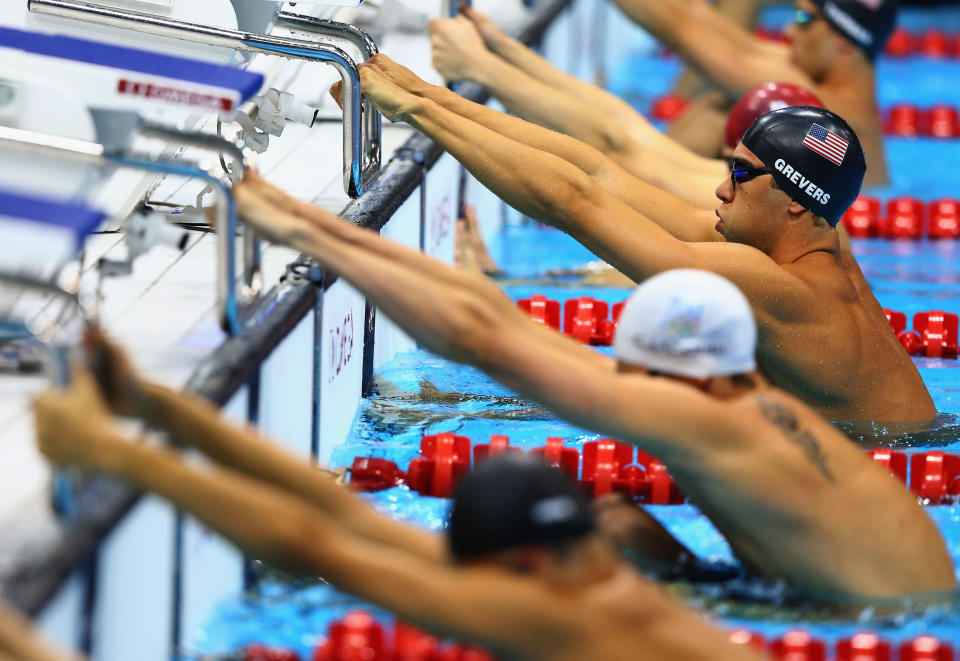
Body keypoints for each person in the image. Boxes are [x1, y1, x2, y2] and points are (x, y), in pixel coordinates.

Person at [123, 168, 951, 602]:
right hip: (868, 604)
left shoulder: (718, 427)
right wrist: (315, 224)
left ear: (667, 375)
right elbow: (508, 334)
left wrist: (308, 229)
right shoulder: (744, 406)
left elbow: (491, 341)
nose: (621, 386)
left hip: (859, 629)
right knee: (618, 524)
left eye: (630, 374)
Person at [32, 359, 767, 661]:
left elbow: (315, 544)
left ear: (521, 563)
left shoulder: (562, 617)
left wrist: (123, 455)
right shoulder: (596, 576)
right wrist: (159, 405)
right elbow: (345, 520)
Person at [348, 55, 934, 423]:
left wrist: (419, 113)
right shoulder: (807, 245)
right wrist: (433, 98)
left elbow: (574, 204)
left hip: (894, 471)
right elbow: (600, 174)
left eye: (741, 173)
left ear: (796, 202)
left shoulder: (782, 287)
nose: (721, 189)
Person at [429, 9, 825, 209]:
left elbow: (617, 145)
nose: (726, 186)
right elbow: (625, 126)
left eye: (736, 168)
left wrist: (478, 69)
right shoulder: (784, 192)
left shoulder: (731, 197)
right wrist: (504, 50)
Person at [600, 0, 898, 185]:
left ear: (845, 42)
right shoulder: (820, 86)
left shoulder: (822, 105)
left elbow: (681, 30)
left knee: (719, 115)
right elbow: (703, 21)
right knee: (724, 109)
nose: (788, 31)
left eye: (804, 19)